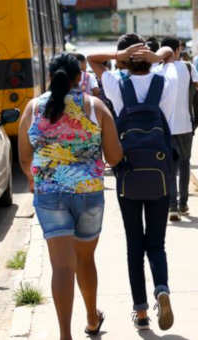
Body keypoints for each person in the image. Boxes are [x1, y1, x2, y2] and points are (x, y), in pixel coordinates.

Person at [18, 53, 123, 340]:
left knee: (62, 266)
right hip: (88, 194)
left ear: (50, 77)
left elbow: (25, 158)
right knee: (85, 259)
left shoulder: (34, 108)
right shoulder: (95, 106)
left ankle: (65, 335)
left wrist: (37, 178)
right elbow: (114, 157)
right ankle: (91, 318)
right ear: (80, 77)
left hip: (49, 195)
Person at [87, 33, 178, 331]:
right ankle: (161, 288)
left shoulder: (115, 84)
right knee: (157, 243)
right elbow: (171, 55)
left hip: (128, 174)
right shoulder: (166, 80)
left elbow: (91, 60)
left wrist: (119, 56)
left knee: (134, 245)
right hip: (160, 175)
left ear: (125, 58)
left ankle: (140, 312)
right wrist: (157, 57)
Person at [160, 37, 198, 222]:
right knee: (185, 163)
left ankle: (172, 206)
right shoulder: (188, 67)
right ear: (178, 50)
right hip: (186, 126)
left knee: (170, 167)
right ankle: (183, 203)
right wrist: (197, 107)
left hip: (165, 128)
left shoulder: (158, 70)